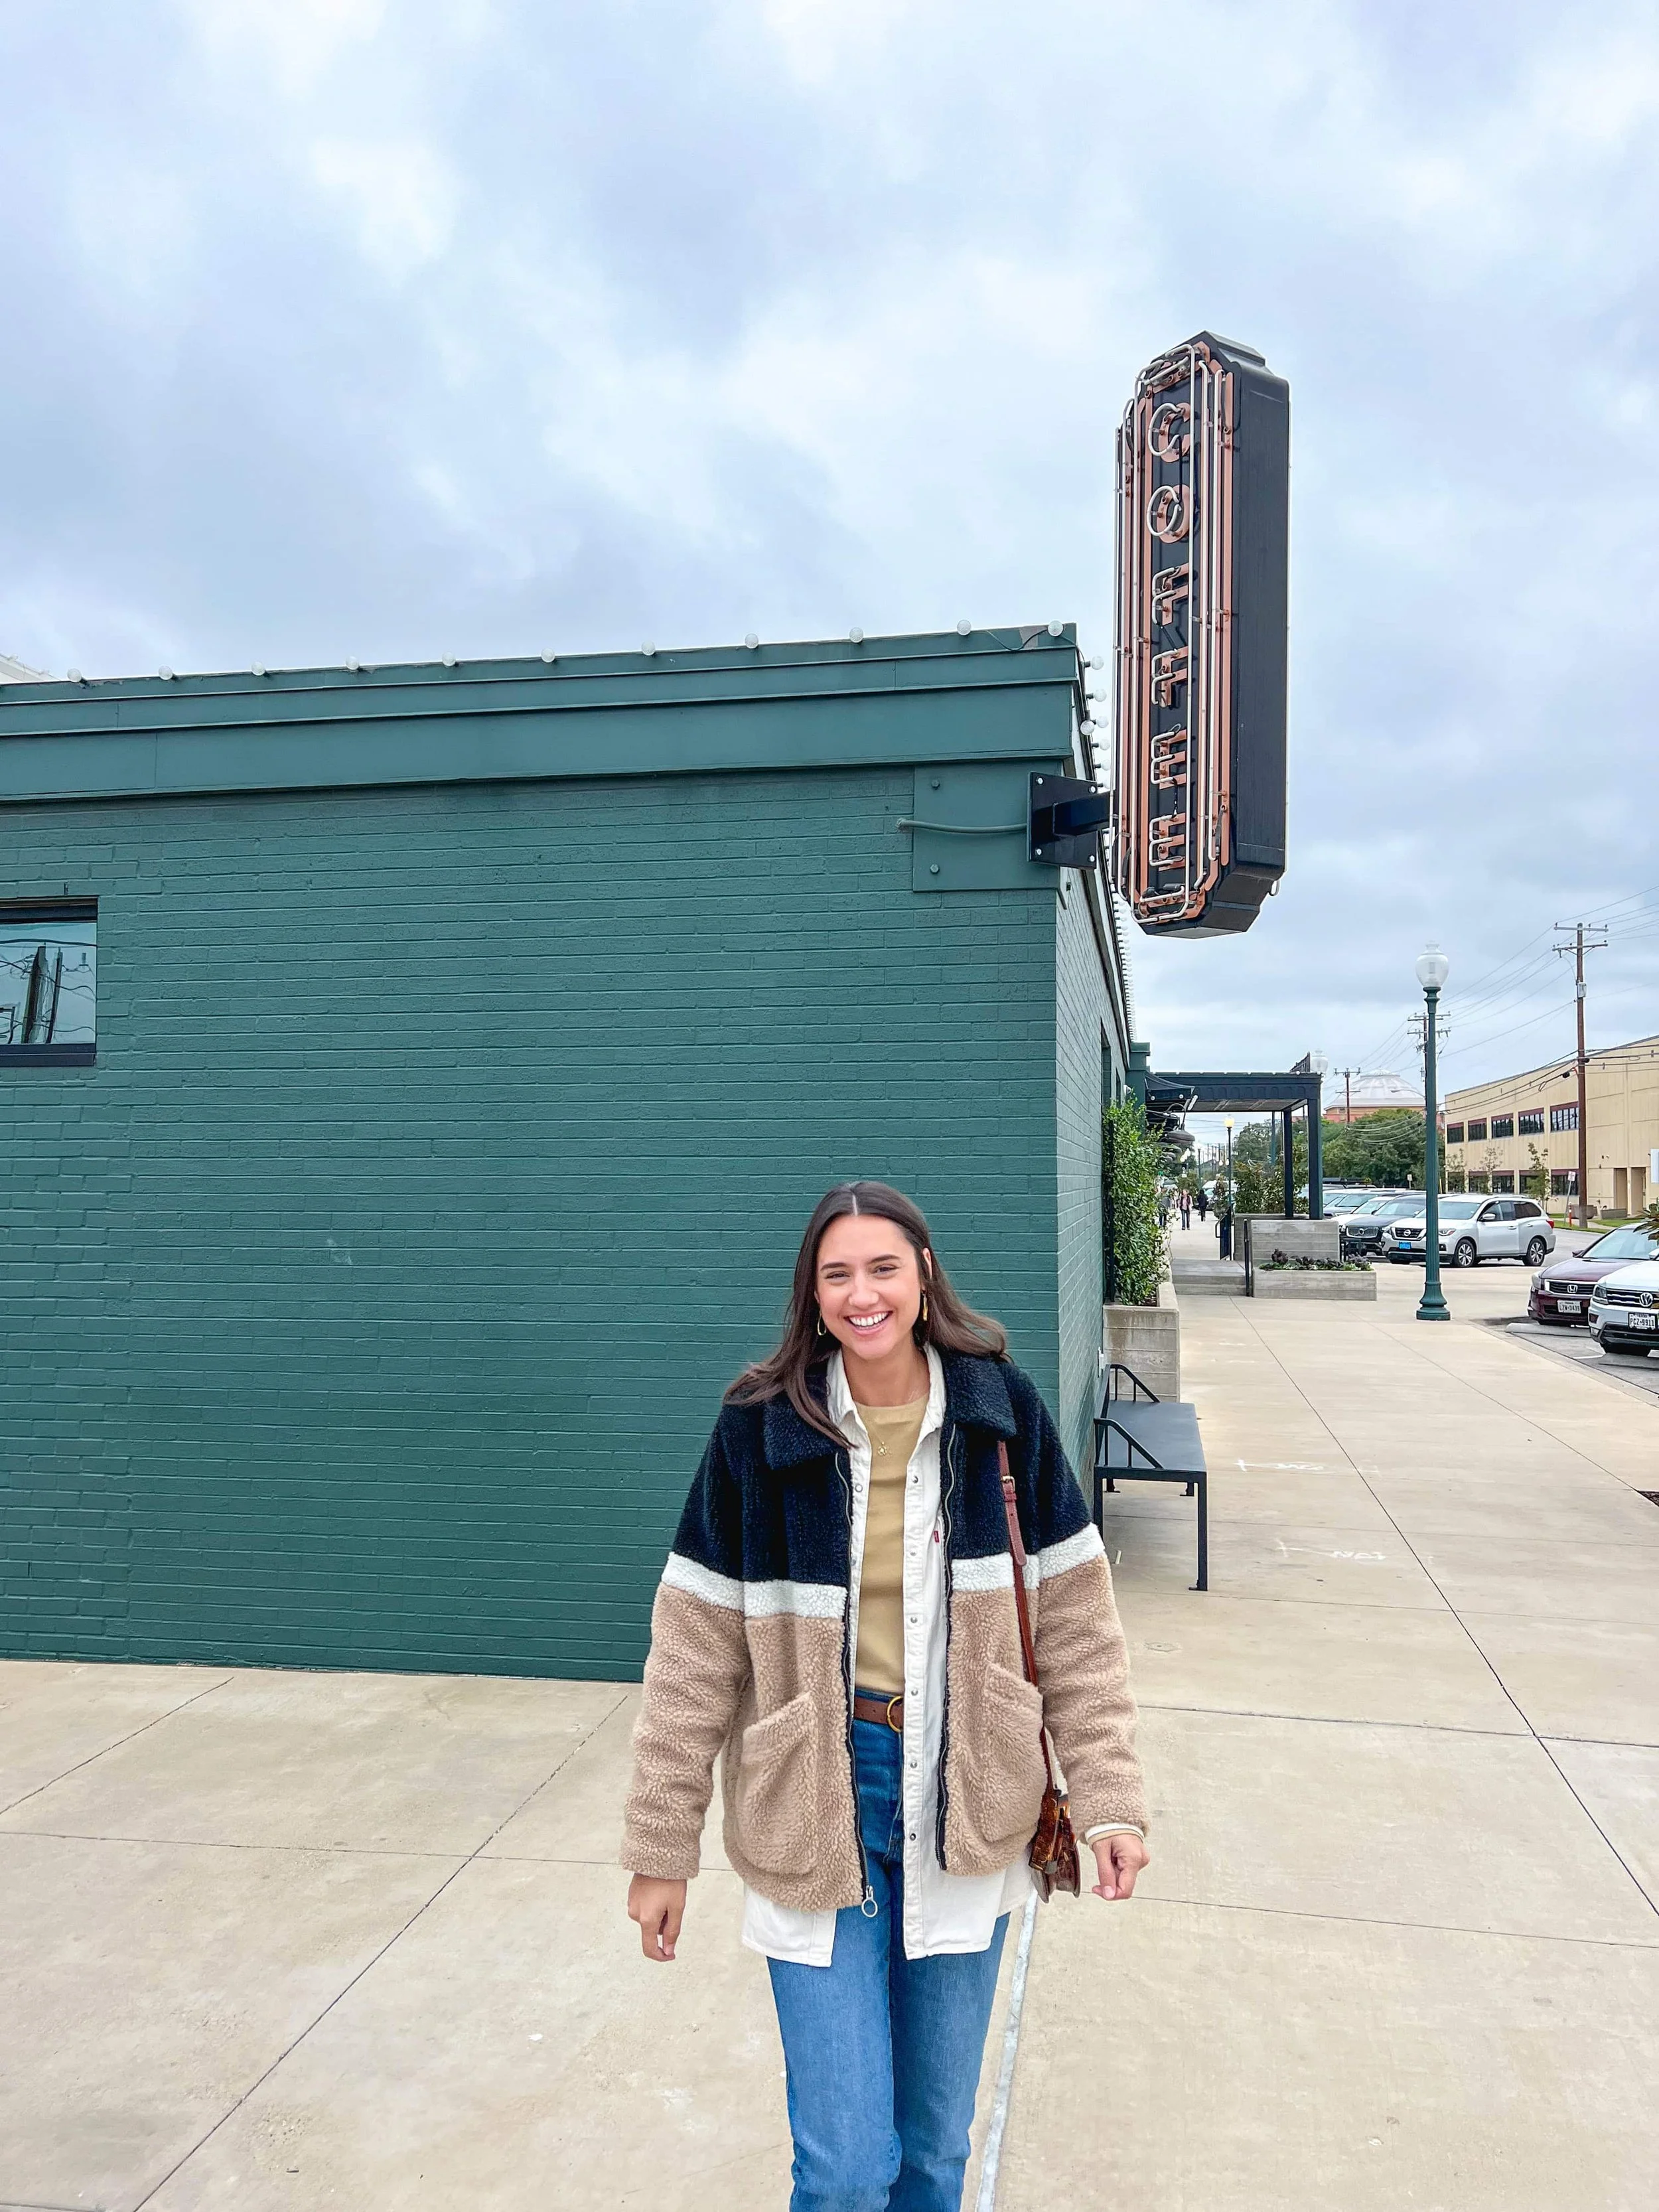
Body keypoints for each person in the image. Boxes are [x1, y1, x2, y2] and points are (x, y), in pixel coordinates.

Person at [623, 1181, 1148, 2212]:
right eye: (838, 1275)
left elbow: (1079, 1628)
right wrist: (660, 1848)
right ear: (811, 1295)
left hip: (970, 1796)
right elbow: (693, 1657)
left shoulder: (1001, 1417)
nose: (862, 1295)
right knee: (846, 2166)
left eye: (882, 1269)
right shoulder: (761, 1432)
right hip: (817, 1799)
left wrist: (1112, 1797)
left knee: (932, 2154)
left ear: (922, 1277)